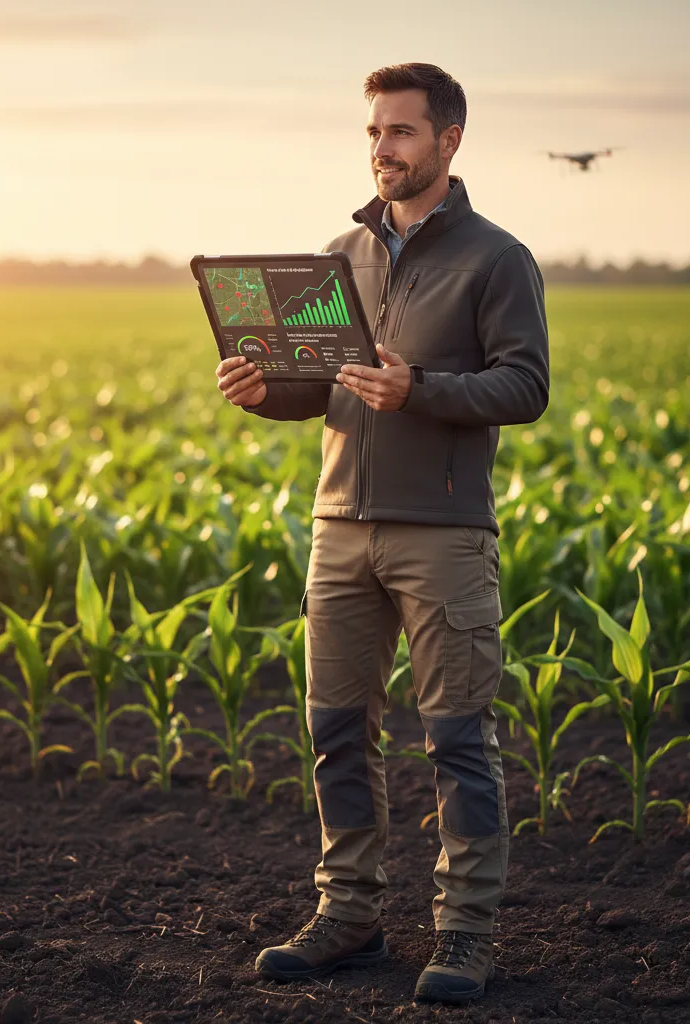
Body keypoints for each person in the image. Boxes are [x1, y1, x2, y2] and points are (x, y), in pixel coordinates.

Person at [215, 62, 549, 1006]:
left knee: (456, 739)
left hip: (441, 532)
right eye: (372, 132)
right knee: (336, 732)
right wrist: (262, 394)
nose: (381, 150)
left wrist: (423, 390)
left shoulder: (496, 259)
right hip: (338, 529)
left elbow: (526, 387)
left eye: (400, 133)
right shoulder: (338, 258)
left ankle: (466, 933)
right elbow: (319, 387)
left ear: (449, 141)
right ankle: (350, 916)